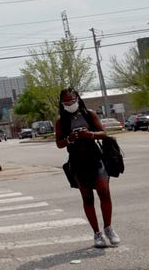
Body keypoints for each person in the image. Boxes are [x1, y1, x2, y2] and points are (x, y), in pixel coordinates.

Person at [55, 88, 119, 248]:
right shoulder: (60, 121)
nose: (69, 103)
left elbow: (103, 134)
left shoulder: (89, 114)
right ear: (62, 104)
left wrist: (89, 134)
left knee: (104, 192)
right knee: (87, 198)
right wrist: (70, 138)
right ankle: (97, 234)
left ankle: (108, 228)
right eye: (65, 102)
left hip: (95, 158)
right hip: (77, 161)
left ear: (77, 98)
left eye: (71, 100)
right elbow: (59, 143)